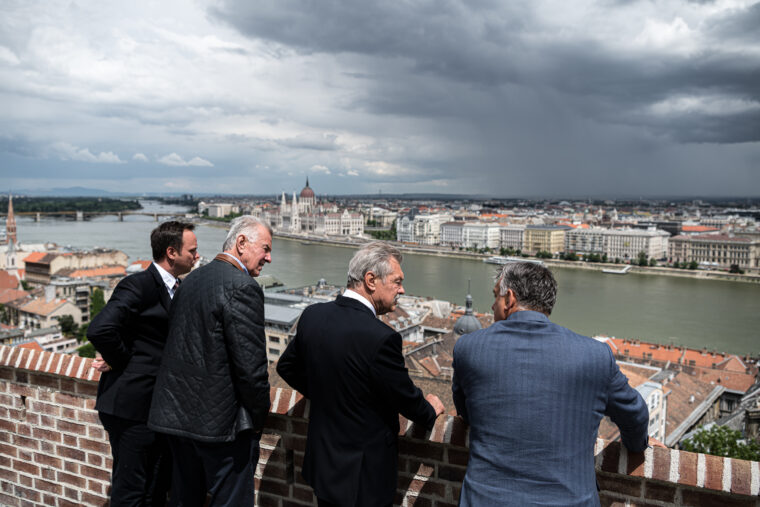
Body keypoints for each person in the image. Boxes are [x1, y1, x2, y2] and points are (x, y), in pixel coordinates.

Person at [452, 262, 649, 506]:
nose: (493, 306)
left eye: (496, 296)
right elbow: (636, 416)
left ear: (509, 298)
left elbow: (465, 411)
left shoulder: (469, 348)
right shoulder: (595, 355)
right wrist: (635, 445)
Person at [277, 241, 445, 507]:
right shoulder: (382, 337)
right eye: (397, 281)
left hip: (324, 466)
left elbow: (286, 367)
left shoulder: (313, 315)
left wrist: (324, 393)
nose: (402, 289)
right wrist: (430, 409)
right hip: (363, 479)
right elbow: (405, 398)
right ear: (371, 280)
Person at [148, 215, 272, 507]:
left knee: (184, 500)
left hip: (177, 419)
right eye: (265, 248)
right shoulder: (242, 286)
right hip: (221, 428)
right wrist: (258, 418)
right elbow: (251, 368)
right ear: (241, 243)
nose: (269, 257)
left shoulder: (191, 280)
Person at [88, 220, 199, 507]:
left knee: (155, 488)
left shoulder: (178, 287)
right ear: (171, 252)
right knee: (131, 491)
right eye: (192, 251)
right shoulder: (138, 284)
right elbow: (100, 329)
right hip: (131, 407)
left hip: (156, 408)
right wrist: (121, 361)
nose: (197, 256)